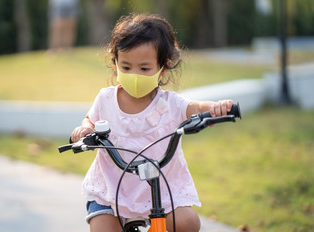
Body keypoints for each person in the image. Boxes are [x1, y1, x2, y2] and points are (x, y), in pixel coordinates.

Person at [70, 14, 234, 232]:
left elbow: (195, 108)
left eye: (144, 68)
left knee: (187, 222)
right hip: (112, 189)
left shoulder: (169, 104)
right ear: (115, 63)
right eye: (126, 67)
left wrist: (215, 108)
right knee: (103, 228)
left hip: (161, 190)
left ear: (163, 69)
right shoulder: (106, 99)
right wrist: (85, 130)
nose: (134, 75)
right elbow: (90, 120)